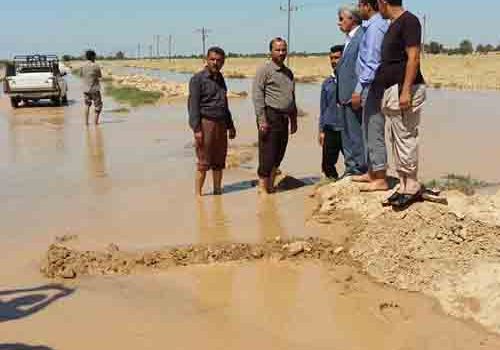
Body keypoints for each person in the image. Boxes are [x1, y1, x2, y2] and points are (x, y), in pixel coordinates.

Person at [375, 0, 426, 208]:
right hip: (393, 89)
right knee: (396, 137)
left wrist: (405, 89)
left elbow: (413, 57)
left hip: (406, 89)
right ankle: (403, 184)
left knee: (406, 135)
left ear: (383, 2)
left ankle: (412, 184)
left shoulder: (409, 21)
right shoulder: (393, 24)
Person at [351, 0, 390, 191]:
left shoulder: (376, 28)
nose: (358, 9)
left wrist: (359, 89)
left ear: (367, 5)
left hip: (373, 85)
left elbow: (373, 62)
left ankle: (380, 177)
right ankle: (372, 172)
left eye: (359, 5)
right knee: (367, 128)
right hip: (370, 85)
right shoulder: (372, 26)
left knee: (374, 129)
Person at [188, 46, 237, 196]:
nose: (216, 63)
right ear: (206, 60)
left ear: (223, 62)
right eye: (213, 59)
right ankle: (198, 196)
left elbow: (224, 104)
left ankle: (217, 192)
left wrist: (230, 126)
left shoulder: (221, 78)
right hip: (205, 123)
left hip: (221, 124)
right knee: (203, 163)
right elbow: (193, 106)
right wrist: (197, 129)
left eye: (219, 60)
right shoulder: (197, 79)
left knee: (219, 163)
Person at [253, 38, 298, 194]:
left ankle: (271, 187)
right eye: (277, 50)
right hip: (269, 116)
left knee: (279, 154)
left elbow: (292, 97)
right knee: (267, 155)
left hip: (284, 118)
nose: (281, 53)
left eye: (283, 50)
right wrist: (262, 120)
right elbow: (257, 96)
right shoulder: (264, 71)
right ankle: (262, 190)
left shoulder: (288, 72)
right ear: (270, 52)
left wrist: (294, 120)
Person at [336, 5, 367, 178]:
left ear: (353, 19)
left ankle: (360, 167)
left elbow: (364, 68)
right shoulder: (349, 39)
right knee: (346, 134)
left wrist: (358, 91)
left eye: (342, 19)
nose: (338, 23)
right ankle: (350, 167)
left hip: (354, 95)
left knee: (356, 133)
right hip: (343, 96)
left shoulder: (361, 37)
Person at [319, 45, 344, 180]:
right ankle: (333, 182)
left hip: (347, 129)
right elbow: (323, 109)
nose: (334, 61)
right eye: (332, 58)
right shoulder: (327, 82)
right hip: (330, 128)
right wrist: (321, 131)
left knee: (355, 161)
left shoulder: (352, 80)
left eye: (337, 58)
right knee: (327, 164)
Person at [80, 50, 103, 125]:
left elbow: (81, 75)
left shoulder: (83, 66)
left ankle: (86, 123)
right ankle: (95, 123)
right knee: (98, 106)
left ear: (86, 57)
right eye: (95, 56)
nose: (95, 57)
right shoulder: (96, 65)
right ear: (92, 56)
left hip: (86, 89)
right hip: (95, 89)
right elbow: (99, 76)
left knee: (87, 105)